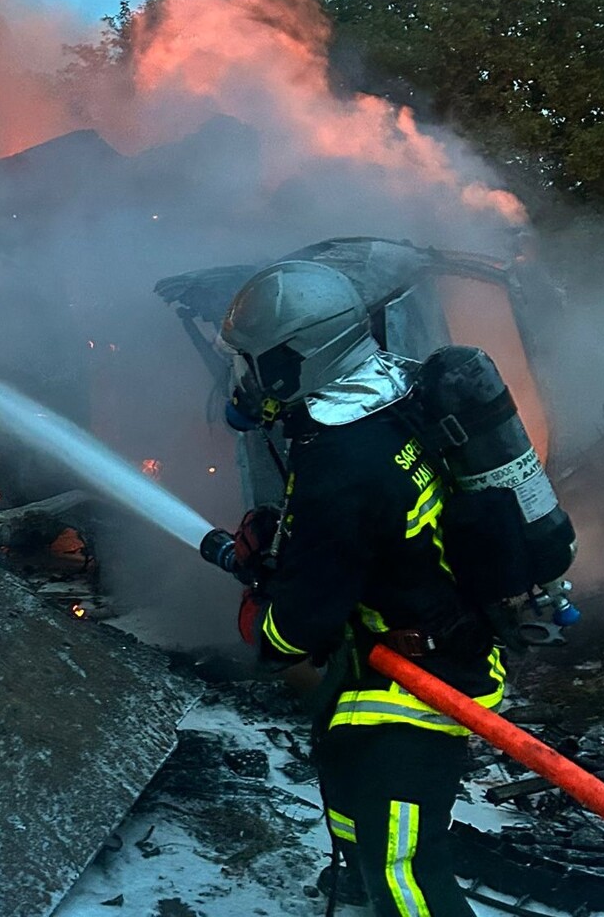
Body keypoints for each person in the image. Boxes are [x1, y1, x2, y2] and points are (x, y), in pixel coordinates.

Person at [217, 260, 504, 917]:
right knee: (356, 813)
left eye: (256, 363)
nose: (247, 381)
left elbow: (297, 631)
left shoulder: (338, 461)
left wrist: (259, 611)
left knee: (402, 862)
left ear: (295, 360)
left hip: (422, 679)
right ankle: (361, 895)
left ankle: (385, 891)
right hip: (396, 641)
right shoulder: (395, 388)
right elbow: (368, 536)